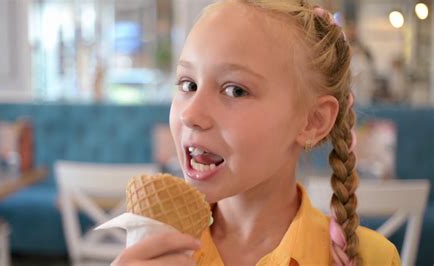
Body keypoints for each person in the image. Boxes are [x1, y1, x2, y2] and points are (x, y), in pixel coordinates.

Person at [112, 0, 401, 265]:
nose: (190, 114)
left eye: (235, 90)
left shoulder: (372, 257)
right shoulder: (153, 248)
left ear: (312, 121)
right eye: (188, 84)